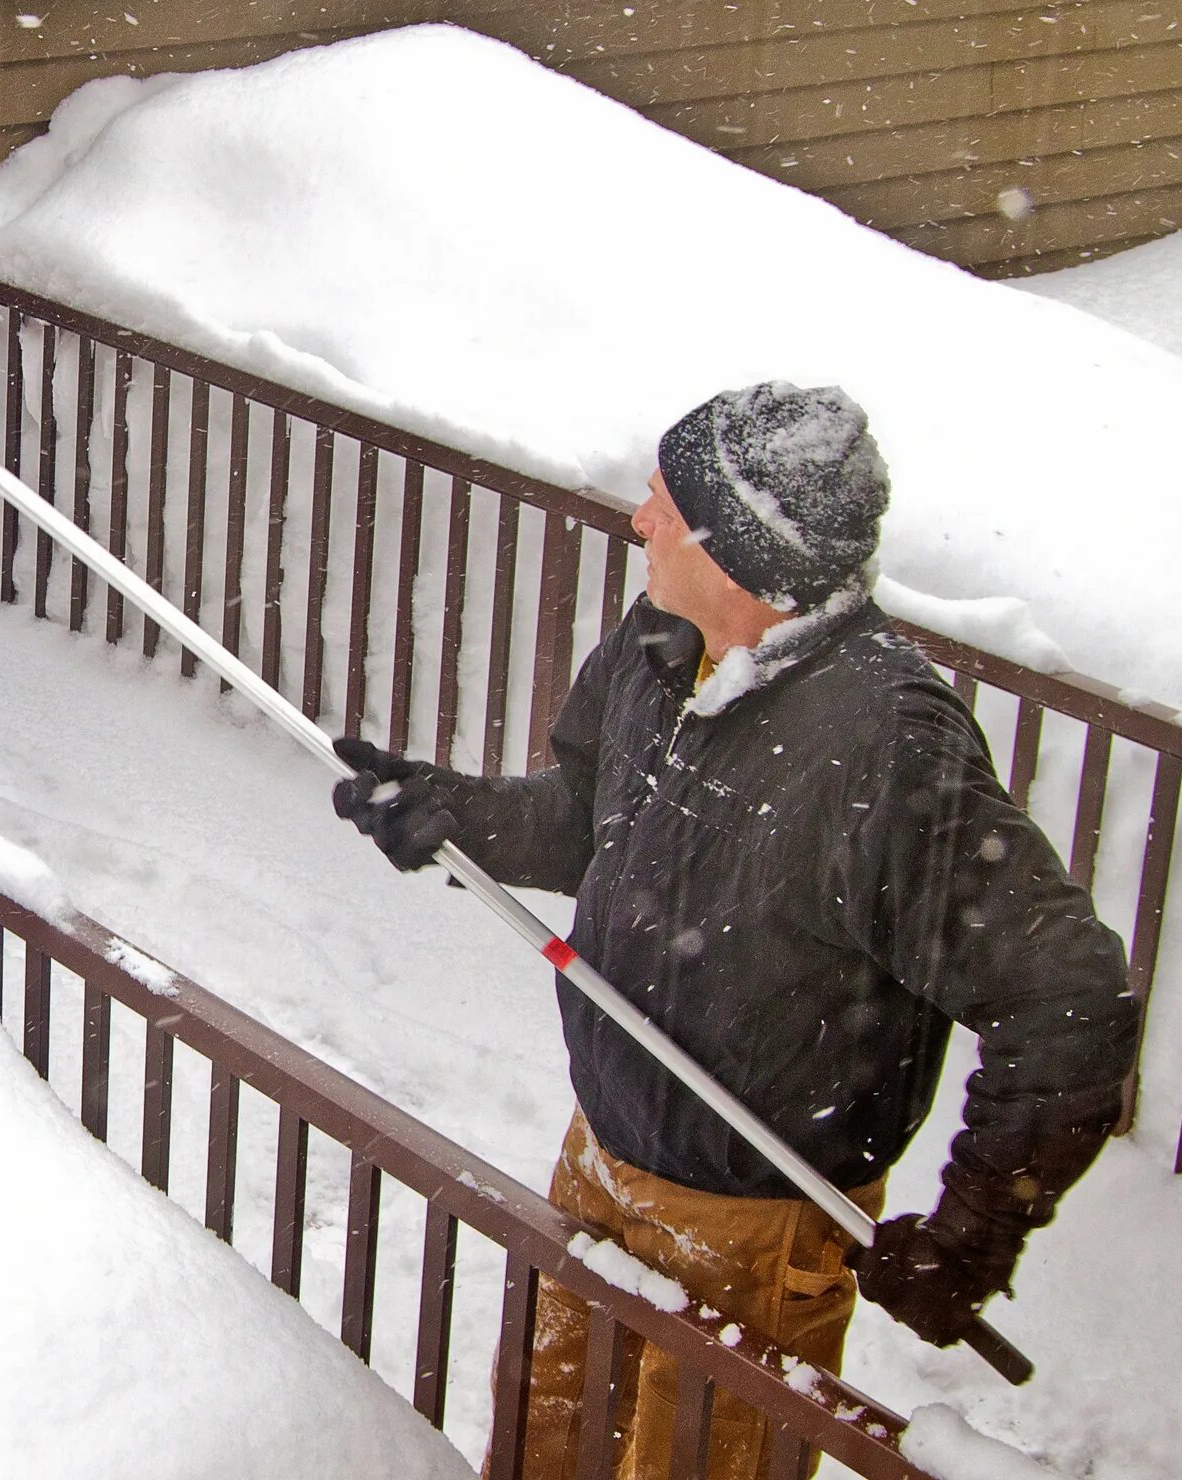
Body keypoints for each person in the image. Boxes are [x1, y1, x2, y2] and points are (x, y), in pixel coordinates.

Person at [330, 382, 1138, 1480]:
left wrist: (972, 1229)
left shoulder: (884, 745)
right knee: (539, 1451)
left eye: (665, 501)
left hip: (760, 1235)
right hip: (603, 1157)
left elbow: (1068, 1001)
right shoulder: (665, 640)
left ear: (745, 544)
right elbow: (589, 815)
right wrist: (456, 813)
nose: (638, 520)